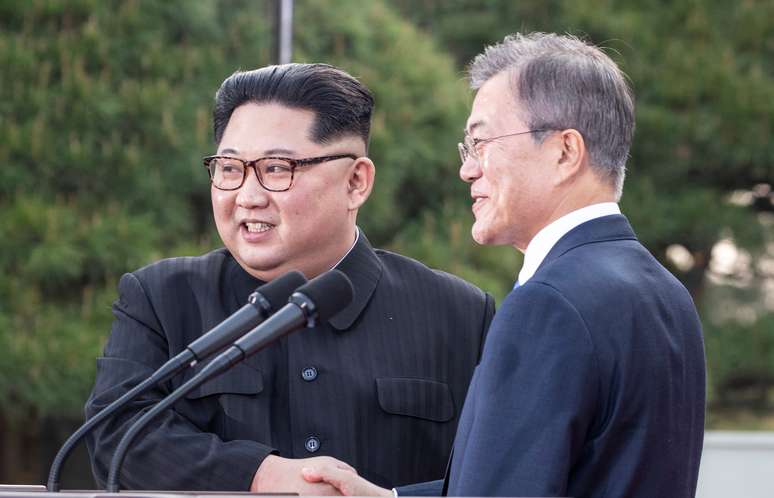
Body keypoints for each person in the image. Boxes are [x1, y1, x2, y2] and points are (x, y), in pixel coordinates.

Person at [301, 32, 706, 497]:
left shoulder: (548, 304)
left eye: (481, 142)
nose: (467, 169)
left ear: (564, 152)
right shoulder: (665, 293)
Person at [85, 63, 494, 493]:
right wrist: (259, 474)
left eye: (277, 169)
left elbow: (498, 474)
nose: (247, 196)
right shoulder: (161, 298)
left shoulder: (460, 315)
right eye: (229, 168)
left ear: (356, 182)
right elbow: (115, 438)